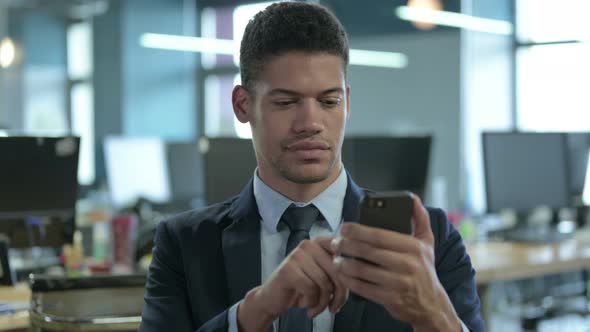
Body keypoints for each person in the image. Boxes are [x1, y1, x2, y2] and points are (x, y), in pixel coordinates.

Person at [139, 2, 484, 332]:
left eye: (329, 101)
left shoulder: (428, 240)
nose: (310, 122)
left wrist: (435, 316)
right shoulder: (184, 244)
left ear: (347, 103)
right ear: (243, 105)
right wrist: (257, 310)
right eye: (286, 102)